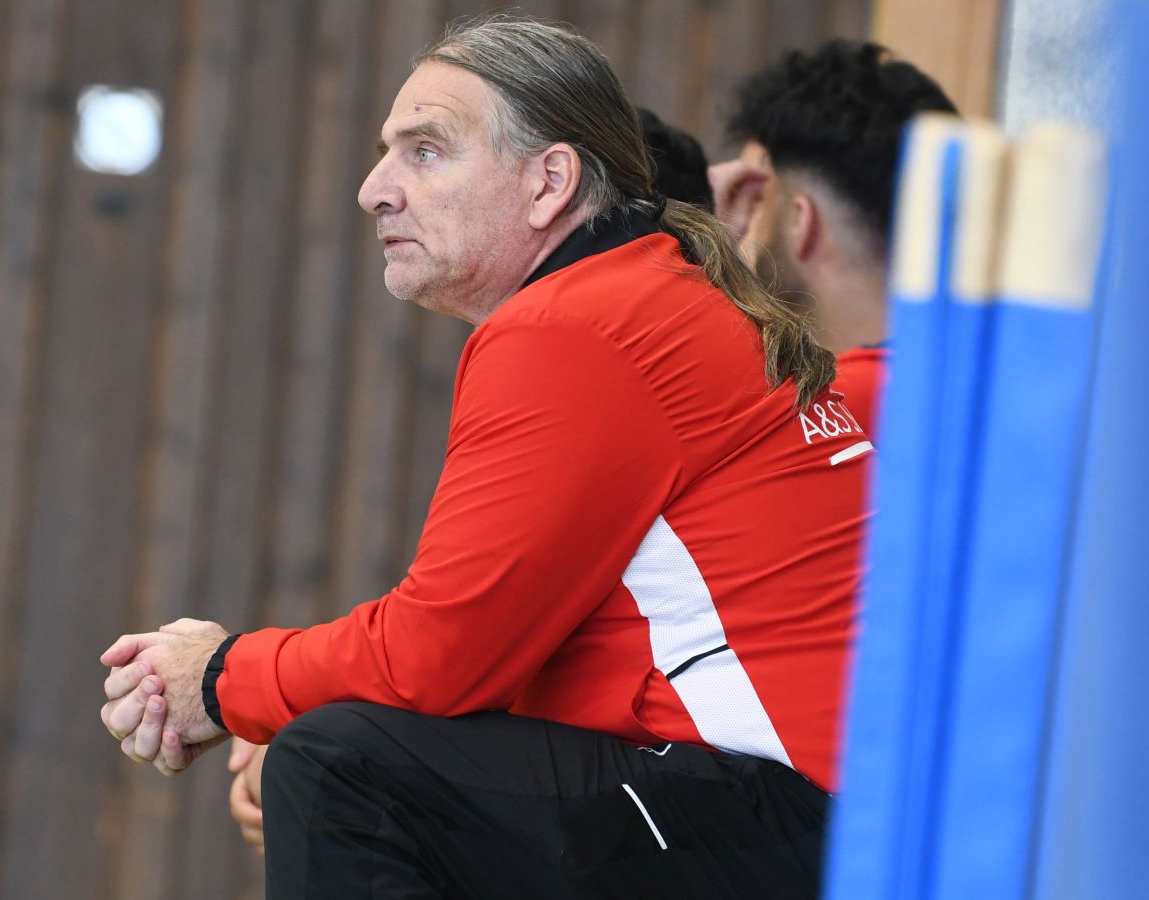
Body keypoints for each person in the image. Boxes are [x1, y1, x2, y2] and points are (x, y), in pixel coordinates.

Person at [98, 15, 871, 898]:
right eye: (386, 155)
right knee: (369, 757)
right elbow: (490, 661)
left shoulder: (578, 327)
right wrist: (270, 697)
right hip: (817, 807)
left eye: (424, 151)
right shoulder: (646, 297)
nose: (374, 190)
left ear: (550, 183)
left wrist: (222, 676)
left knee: (342, 770)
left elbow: (439, 656)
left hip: (797, 823)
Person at [710, 40, 956, 434]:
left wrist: (703, 259)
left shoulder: (803, 424)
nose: (741, 223)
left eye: (757, 199)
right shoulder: (970, 390)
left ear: (800, 221)